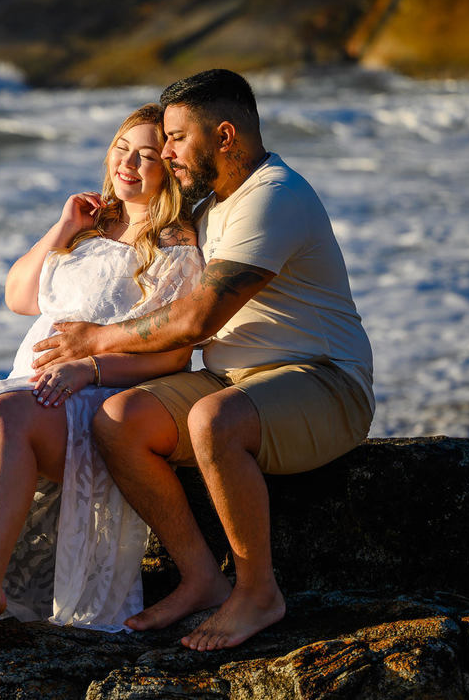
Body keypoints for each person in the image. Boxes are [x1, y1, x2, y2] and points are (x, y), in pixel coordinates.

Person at [32, 69, 374, 652]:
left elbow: (196, 320)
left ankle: (258, 593)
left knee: (213, 421)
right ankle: (200, 578)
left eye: (175, 139)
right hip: (228, 377)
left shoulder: (274, 198)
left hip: (322, 380)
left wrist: (96, 340)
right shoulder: (213, 202)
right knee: (118, 421)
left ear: (224, 136)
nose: (165, 154)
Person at [0, 104, 205, 647]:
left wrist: (89, 368)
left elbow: (174, 355)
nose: (128, 163)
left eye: (146, 155)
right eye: (121, 148)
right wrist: (64, 225)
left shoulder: (174, 244)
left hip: (103, 398)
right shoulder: (92, 223)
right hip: (36, 385)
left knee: (1, 414)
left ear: (170, 166)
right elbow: (19, 296)